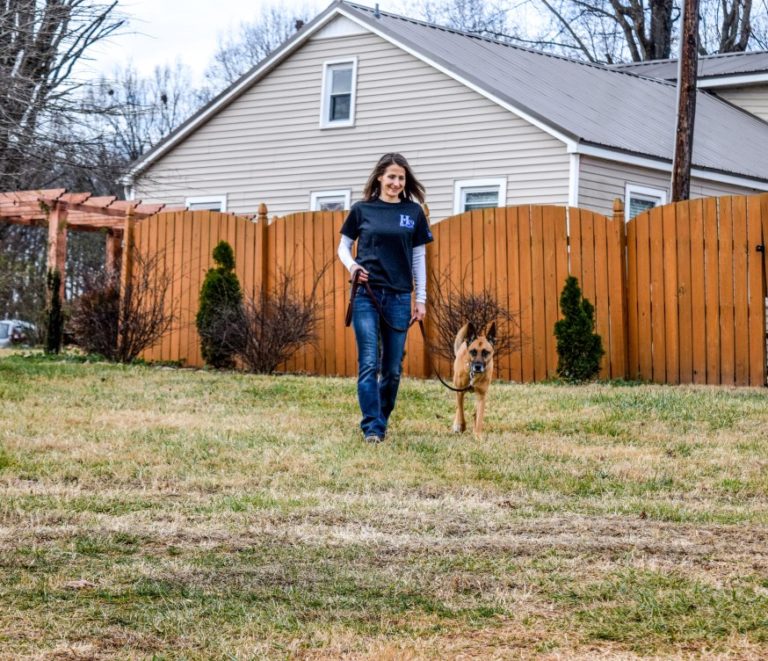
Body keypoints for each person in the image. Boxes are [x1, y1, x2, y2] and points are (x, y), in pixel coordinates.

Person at [337, 153, 433, 443]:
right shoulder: (362, 209)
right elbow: (343, 247)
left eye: (401, 178)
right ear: (379, 176)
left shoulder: (413, 213)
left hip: (400, 297)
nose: (396, 182)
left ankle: (381, 418)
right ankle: (372, 428)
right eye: (391, 176)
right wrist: (353, 266)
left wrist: (421, 299)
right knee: (368, 362)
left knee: (392, 369)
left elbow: (419, 257)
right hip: (366, 294)